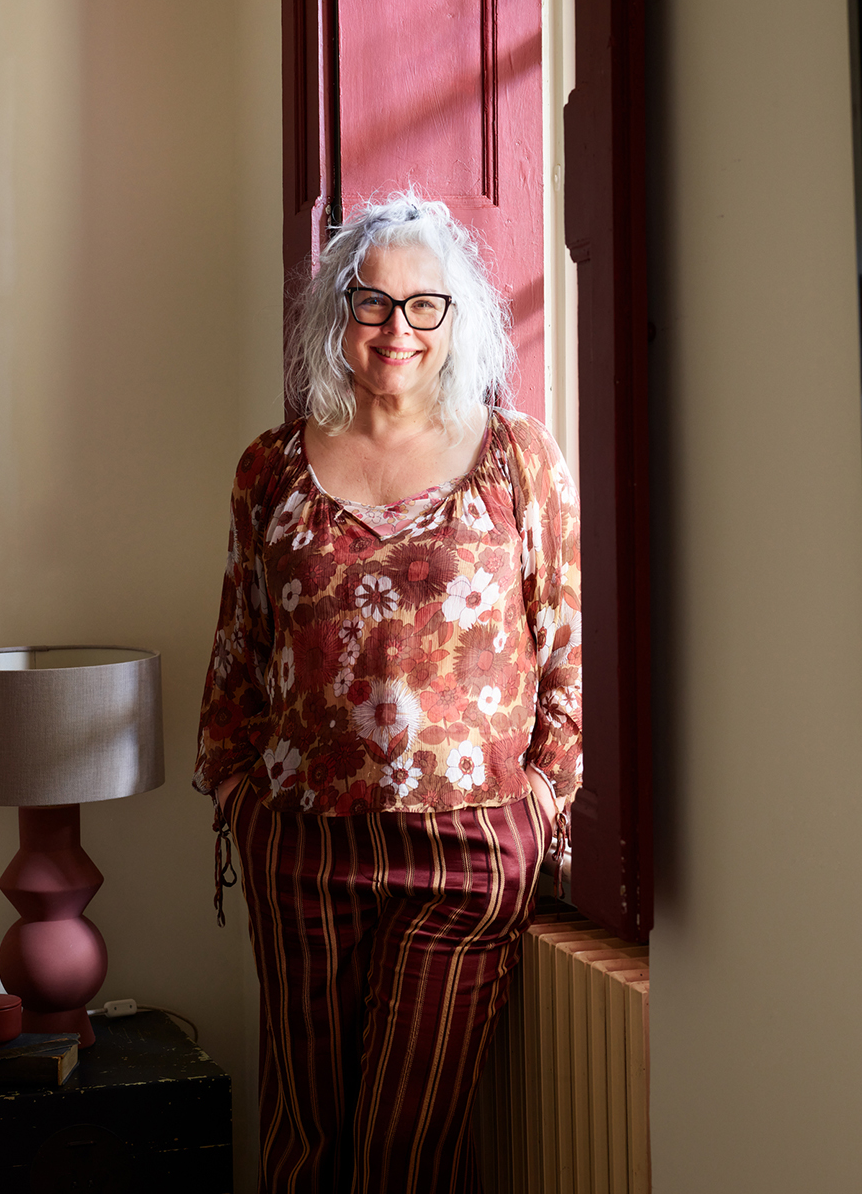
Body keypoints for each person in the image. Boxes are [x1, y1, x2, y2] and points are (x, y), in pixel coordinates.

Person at [194, 193, 581, 1194]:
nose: (397, 330)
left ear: (460, 322)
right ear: (336, 314)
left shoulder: (517, 458)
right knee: (304, 1145)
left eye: (424, 306)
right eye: (372, 304)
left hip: (464, 854)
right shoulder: (270, 468)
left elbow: (565, 649)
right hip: (301, 847)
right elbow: (238, 649)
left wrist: (539, 805)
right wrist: (239, 794)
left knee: (406, 1155)